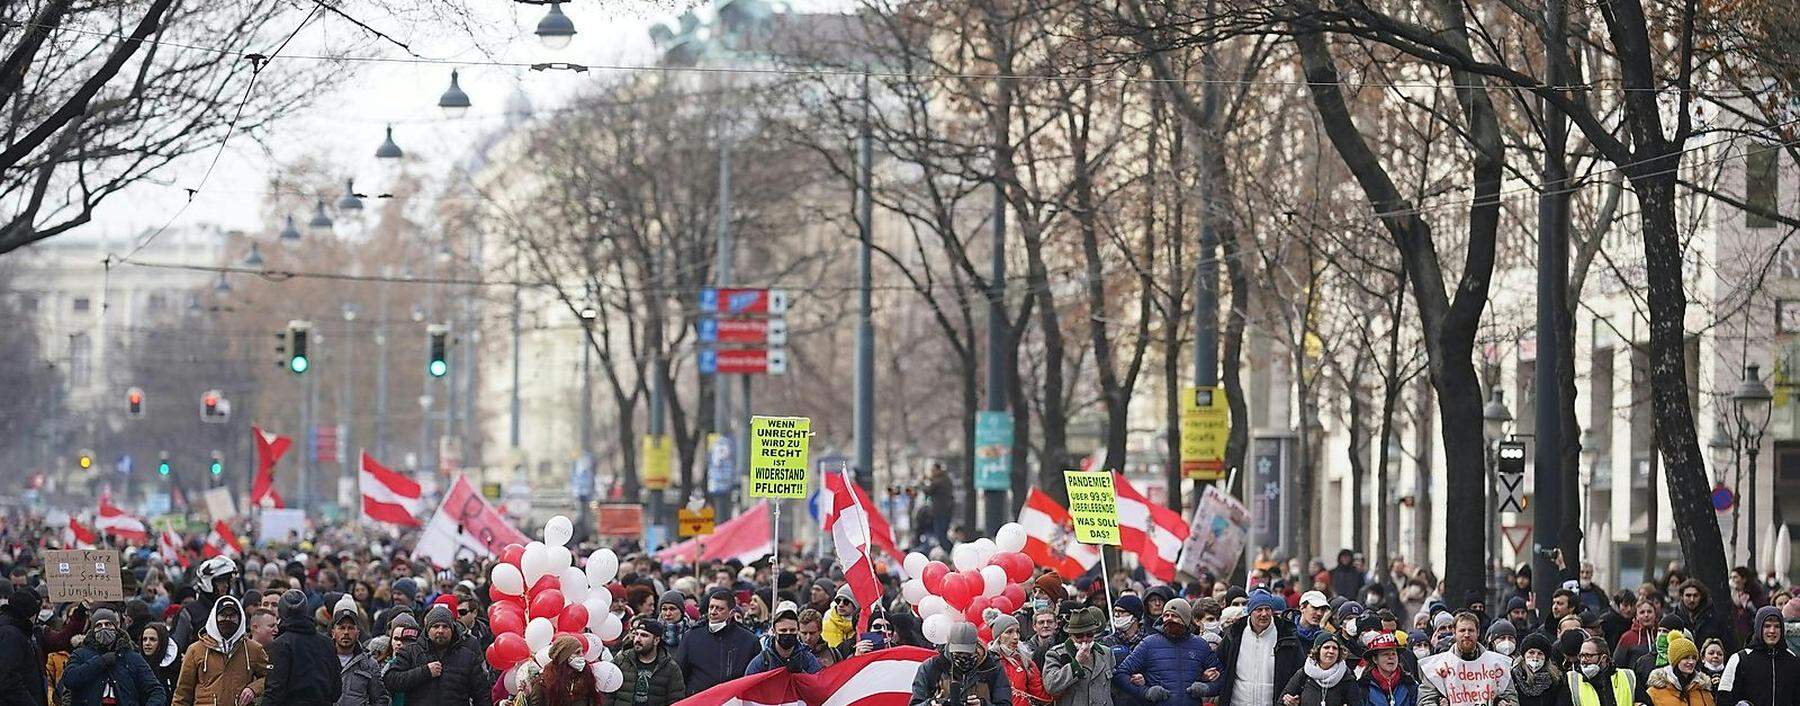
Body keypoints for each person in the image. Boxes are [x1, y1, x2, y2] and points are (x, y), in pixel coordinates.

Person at [1114, 599, 1222, 706]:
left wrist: (1207, 688)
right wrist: (1145, 692)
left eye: (1174, 616)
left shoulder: (1200, 645)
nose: (1169, 619)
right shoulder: (1149, 644)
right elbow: (1120, 674)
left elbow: (1223, 677)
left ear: (1185, 619)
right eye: (1166, 616)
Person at [383, 605, 491, 706]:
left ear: (452, 630)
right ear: (428, 629)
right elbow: (391, 680)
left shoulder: (467, 656)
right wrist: (425, 672)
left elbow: (482, 694)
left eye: (445, 627)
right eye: (435, 626)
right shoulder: (411, 652)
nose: (440, 631)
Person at [173, 596, 268, 706]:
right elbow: (183, 692)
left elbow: (270, 675)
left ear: (240, 618)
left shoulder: (254, 649)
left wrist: (253, 689)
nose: (227, 619)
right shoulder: (195, 650)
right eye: (223, 615)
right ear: (214, 617)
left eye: (232, 616)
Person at [1217, 590, 1304, 706]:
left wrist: (1296, 696)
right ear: (1250, 612)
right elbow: (1219, 663)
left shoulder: (1287, 636)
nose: (1264, 614)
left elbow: (1300, 672)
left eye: (1267, 609)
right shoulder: (1234, 634)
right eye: (1259, 610)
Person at [61, 615, 168, 706]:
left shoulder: (132, 657)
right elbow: (69, 679)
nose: (104, 628)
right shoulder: (80, 654)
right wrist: (99, 662)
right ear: (93, 631)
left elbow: (157, 691)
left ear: (116, 629)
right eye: (99, 625)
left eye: (108, 624)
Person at [672, 590, 761, 694]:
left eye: (720, 609)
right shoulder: (691, 636)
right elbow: (679, 674)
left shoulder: (749, 640)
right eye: (711, 607)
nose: (713, 612)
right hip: (699, 699)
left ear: (731, 613)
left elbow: (754, 678)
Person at [1418, 612, 1517, 706]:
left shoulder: (1498, 664)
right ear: (1454, 632)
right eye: (1462, 630)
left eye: (1471, 630)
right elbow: (1426, 699)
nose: (1466, 635)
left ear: (1478, 632)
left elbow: (1511, 698)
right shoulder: (1437, 666)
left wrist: (1500, 702)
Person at [265, 590, 341, 706]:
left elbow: (274, 692)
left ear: (281, 612)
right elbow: (336, 690)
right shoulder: (327, 643)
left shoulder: (281, 644)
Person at [910, 622, 1012, 706]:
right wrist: (930, 704)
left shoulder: (992, 667)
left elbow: (1005, 702)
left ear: (976, 646)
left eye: (967, 652)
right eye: (958, 652)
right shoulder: (931, 667)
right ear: (949, 646)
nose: (963, 656)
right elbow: (915, 703)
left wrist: (983, 704)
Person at [1718, 607, 1799, 706]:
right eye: (1767, 626)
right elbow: (1724, 697)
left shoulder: (1793, 661)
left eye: (1777, 626)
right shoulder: (1740, 659)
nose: (1772, 631)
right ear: (1758, 627)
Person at [607, 619, 684, 706]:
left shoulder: (670, 668)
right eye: (636, 634)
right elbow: (608, 693)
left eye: (644, 635)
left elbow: (676, 700)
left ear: (656, 640)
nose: (638, 639)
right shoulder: (621, 660)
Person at [173, 557, 238, 651]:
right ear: (208, 582)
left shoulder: (234, 609)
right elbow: (176, 646)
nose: (226, 585)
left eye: (228, 581)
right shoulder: (188, 612)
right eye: (221, 581)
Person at [988, 615, 1051, 706]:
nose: (1015, 637)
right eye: (1009, 632)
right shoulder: (989, 663)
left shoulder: (1025, 660)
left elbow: (1040, 695)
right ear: (999, 637)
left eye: (1017, 632)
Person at [330, 606, 387, 706]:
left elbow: (380, 699)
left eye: (351, 628)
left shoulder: (369, 664)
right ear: (333, 633)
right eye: (342, 628)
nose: (346, 632)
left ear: (358, 633)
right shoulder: (322, 660)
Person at [1280, 633, 1355, 706]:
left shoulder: (1346, 677)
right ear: (1317, 650)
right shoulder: (1304, 674)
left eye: (1335, 648)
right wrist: (1289, 702)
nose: (1331, 651)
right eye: (1326, 647)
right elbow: (1281, 700)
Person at [745, 602, 821, 675]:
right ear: (774, 631)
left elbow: (817, 684)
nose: (788, 633)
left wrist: (801, 673)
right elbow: (749, 684)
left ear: (798, 631)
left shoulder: (807, 659)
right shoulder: (762, 662)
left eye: (792, 630)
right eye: (783, 630)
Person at [520, 636, 594, 706]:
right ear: (564, 657)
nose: (581, 655)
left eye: (582, 652)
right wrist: (528, 697)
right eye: (577, 652)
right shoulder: (543, 683)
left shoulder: (586, 677)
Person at [1646, 634, 1713, 706]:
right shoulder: (1655, 692)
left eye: (1694, 658)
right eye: (1686, 657)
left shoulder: (1702, 689)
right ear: (1675, 661)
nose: (1691, 662)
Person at [1565, 638, 1634, 706]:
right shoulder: (1571, 680)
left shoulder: (1627, 676)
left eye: (1588, 656)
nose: (1583, 660)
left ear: (1603, 658)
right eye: (1581, 655)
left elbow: (1640, 701)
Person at [1358, 632, 1419, 706]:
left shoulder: (1411, 684)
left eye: (1393, 654)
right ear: (1375, 659)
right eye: (1385, 654)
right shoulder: (1363, 687)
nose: (1391, 657)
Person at [1671, 581, 1730, 652]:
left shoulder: (1714, 618)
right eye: (1688, 595)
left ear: (1701, 596)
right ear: (1681, 596)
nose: (1692, 599)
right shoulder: (1674, 619)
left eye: (1695, 596)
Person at [1511, 633, 1565, 706]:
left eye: (1540, 654)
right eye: (1531, 652)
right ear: (1524, 655)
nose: (1535, 657)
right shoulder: (1513, 677)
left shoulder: (1555, 680)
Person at [139, 622, 181, 693]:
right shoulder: (137, 665)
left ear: (162, 642)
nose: (147, 643)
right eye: (144, 639)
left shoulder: (175, 668)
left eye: (152, 639)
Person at [822, 587, 861, 652]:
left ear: (855, 604)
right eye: (838, 601)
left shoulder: (861, 626)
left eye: (846, 602)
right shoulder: (826, 622)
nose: (840, 605)